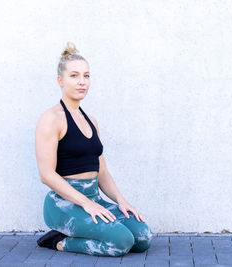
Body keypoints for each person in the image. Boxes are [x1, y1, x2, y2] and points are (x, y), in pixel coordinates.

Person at [34, 42, 153, 256]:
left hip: (93, 199)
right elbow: (46, 175)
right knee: (122, 242)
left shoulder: (91, 121)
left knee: (143, 238)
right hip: (64, 204)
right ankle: (59, 241)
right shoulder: (50, 119)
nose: (82, 82)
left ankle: (84, 231)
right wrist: (87, 204)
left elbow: (103, 172)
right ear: (60, 80)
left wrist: (121, 201)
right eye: (74, 76)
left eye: (86, 76)